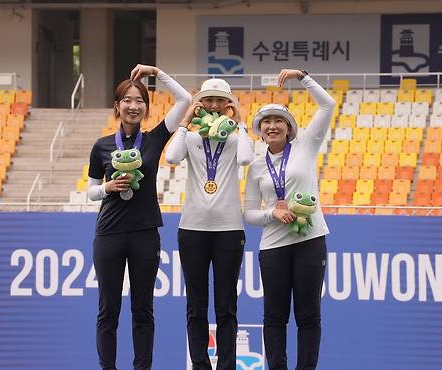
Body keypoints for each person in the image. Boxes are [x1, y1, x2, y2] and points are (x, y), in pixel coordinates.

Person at [87, 64, 191, 370]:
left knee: (143, 309)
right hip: (109, 235)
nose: (134, 106)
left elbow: (185, 100)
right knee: (108, 309)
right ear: (117, 107)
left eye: (140, 100)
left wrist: (156, 74)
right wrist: (107, 186)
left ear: (146, 107)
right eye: (128, 100)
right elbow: (91, 192)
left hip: (146, 233)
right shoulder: (102, 146)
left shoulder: (154, 139)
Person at [244, 69, 335, 370]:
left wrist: (303, 77)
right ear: (260, 129)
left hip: (310, 240)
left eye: (278, 121)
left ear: (289, 127)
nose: (272, 126)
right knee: (274, 316)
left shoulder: (306, 146)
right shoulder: (257, 167)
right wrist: (273, 213)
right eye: (266, 122)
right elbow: (249, 213)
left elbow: (328, 106)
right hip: (273, 246)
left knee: (309, 315)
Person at [164, 78, 253, 370]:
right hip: (193, 229)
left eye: (220, 101)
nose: (214, 106)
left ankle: (227, 366)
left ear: (229, 105)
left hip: (229, 229)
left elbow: (246, 158)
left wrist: (239, 121)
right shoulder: (190, 137)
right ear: (200, 103)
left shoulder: (235, 137)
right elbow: (172, 157)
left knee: (226, 306)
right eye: (208, 100)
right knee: (196, 306)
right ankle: (200, 365)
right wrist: (186, 120)